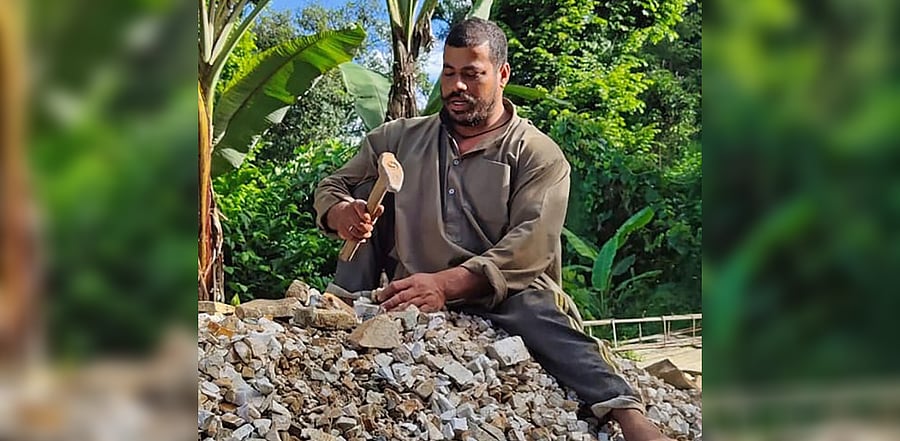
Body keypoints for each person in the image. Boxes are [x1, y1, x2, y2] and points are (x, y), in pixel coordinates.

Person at [314, 17, 673, 441]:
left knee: (548, 323)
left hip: (504, 290)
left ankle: (628, 415)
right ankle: (336, 313)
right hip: (410, 291)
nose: (457, 85)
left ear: (501, 75)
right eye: (449, 73)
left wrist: (447, 285)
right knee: (372, 198)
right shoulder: (398, 139)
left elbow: (532, 243)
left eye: (472, 74)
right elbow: (330, 185)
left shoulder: (538, 153)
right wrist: (340, 212)